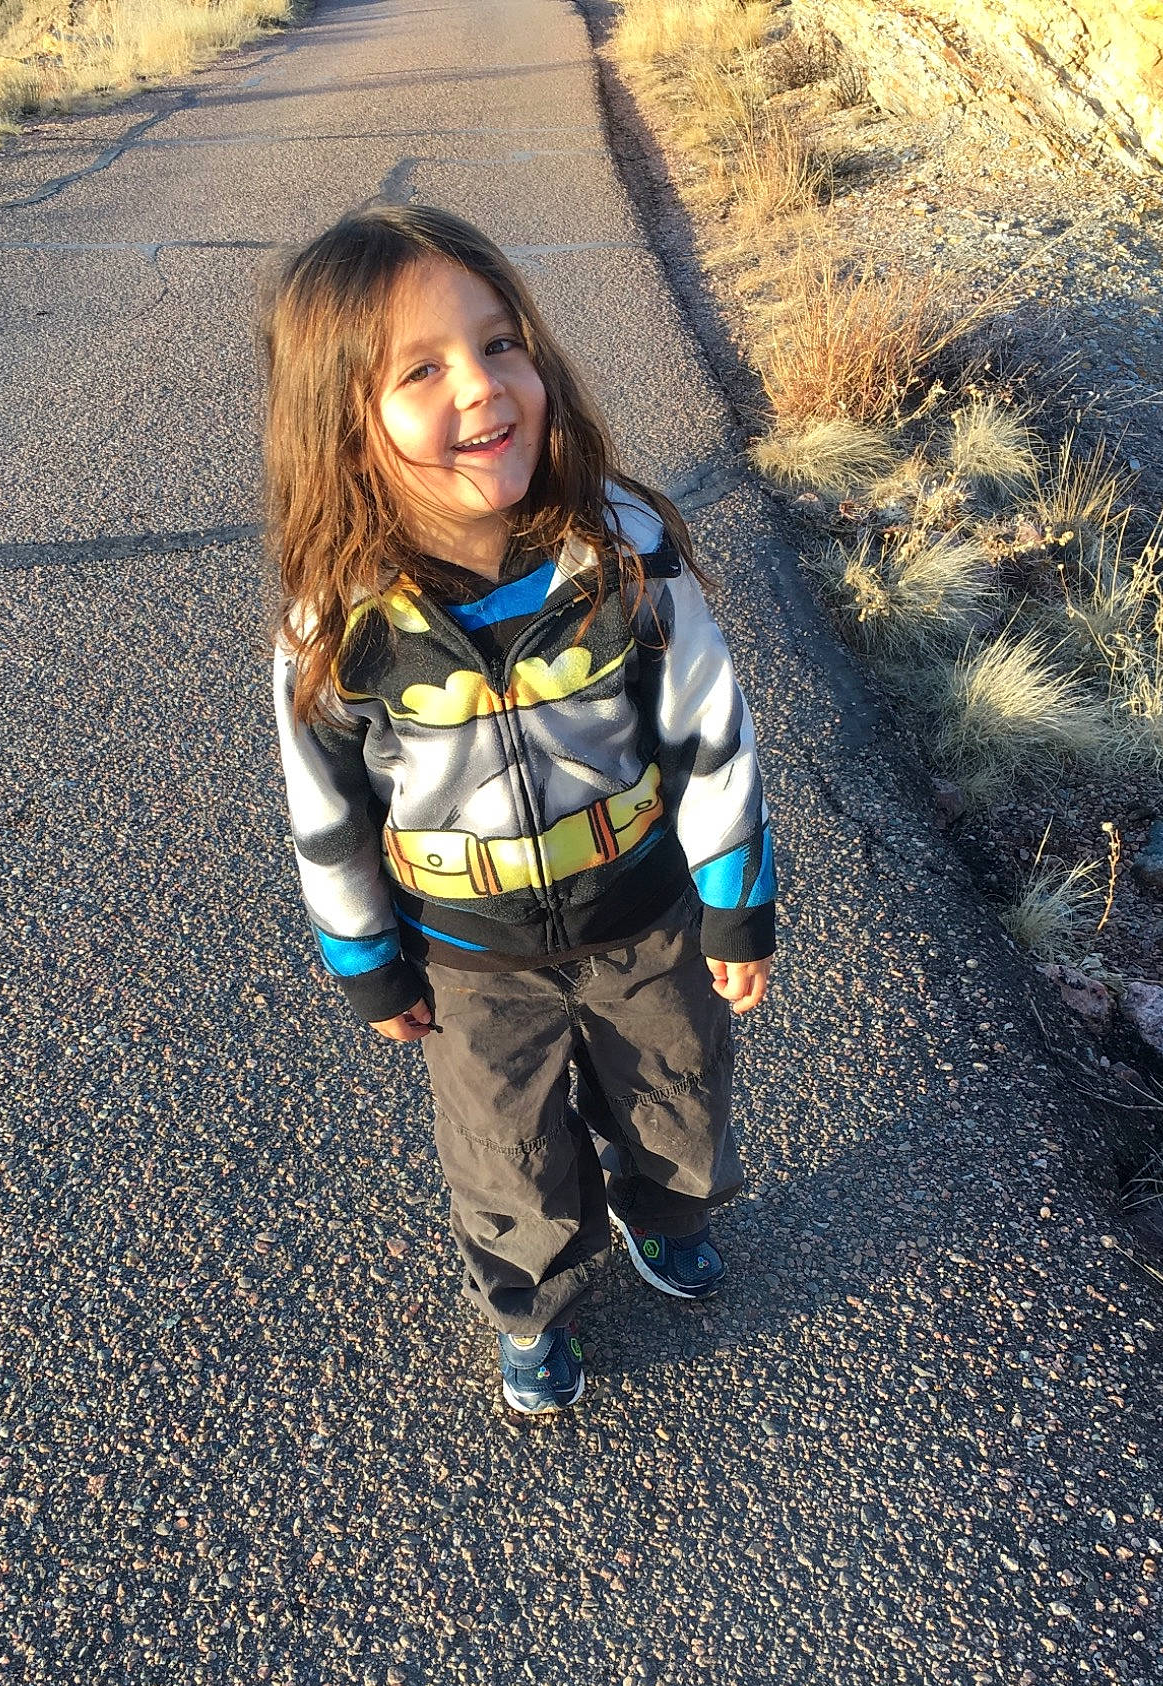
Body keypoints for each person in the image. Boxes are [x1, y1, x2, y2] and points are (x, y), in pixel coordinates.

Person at [263, 203, 776, 1416]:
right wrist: (367, 962)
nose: (484, 388)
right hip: (470, 955)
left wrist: (733, 901)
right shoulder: (336, 626)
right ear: (345, 421)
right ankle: (532, 1303)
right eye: (424, 369)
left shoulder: (623, 552)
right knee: (507, 1159)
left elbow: (710, 731)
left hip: (644, 910)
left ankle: (664, 1215)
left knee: (679, 1096)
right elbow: (323, 811)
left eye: (501, 345)